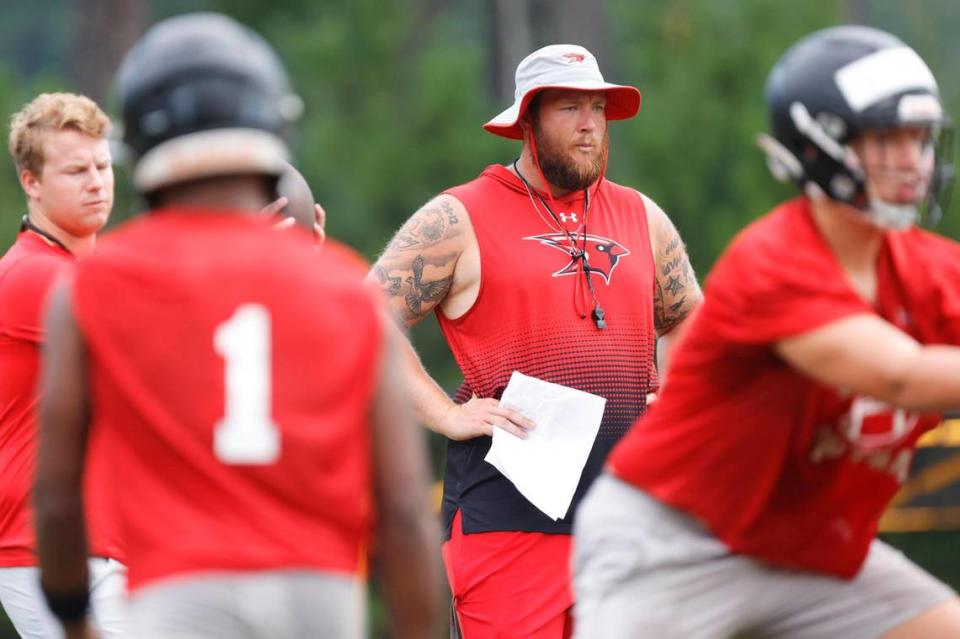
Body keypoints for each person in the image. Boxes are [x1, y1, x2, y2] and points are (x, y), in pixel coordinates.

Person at [33, 12, 441, 639]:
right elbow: (406, 511)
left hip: (178, 593)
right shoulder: (343, 286)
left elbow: (58, 494)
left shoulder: (98, 283)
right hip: (319, 594)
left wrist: (74, 620)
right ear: (273, 125)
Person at [573, 25, 960, 639]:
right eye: (887, 138)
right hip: (676, 544)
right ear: (817, 147)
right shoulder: (775, 262)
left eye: (918, 138)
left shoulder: (925, 268)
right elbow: (902, 376)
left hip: (808, 550)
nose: (913, 160)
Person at [368, 43, 701, 638]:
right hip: (509, 521)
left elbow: (688, 319)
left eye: (598, 108)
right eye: (570, 108)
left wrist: (678, 393)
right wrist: (445, 413)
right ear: (527, 120)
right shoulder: (459, 216)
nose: (589, 125)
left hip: (630, 518)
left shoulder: (641, 216)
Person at [0, 92, 126, 638]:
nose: (97, 182)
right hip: (39, 548)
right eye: (76, 170)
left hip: (108, 540)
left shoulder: (103, 272)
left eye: (102, 165)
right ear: (31, 182)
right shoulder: (32, 276)